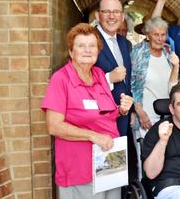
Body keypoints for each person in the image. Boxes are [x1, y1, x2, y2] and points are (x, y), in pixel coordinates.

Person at [42, 23, 134, 199]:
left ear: (98, 51)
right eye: (81, 46)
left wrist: (121, 110)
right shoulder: (61, 79)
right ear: (71, 51)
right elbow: (54, 126)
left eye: (92, 46)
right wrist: (93, 136)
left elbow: (103, 114)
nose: (87, 50)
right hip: (80, 168)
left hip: (111, 161)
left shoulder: (99, 74)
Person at [131, 17, 180, 136]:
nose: (160, 39)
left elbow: (174, 83)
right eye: (156, 35)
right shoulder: (138, 52)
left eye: (163, 35)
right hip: (146, 117)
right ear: (148, 35)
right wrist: (139, 112)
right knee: (146, 154)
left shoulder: (168, 51)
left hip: (169, 116)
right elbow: (131, 84)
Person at [94, 0, 133, 136]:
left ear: (122, 17)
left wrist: (131, 110)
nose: (112, 16)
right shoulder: (89, 40)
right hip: (98, 119)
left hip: (123, 116)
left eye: (116, 12)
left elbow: (127, 83)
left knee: (118, 159)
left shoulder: (124, 43)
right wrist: (108, 78)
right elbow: (78, 79)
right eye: (107, 12)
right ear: (98, 15)